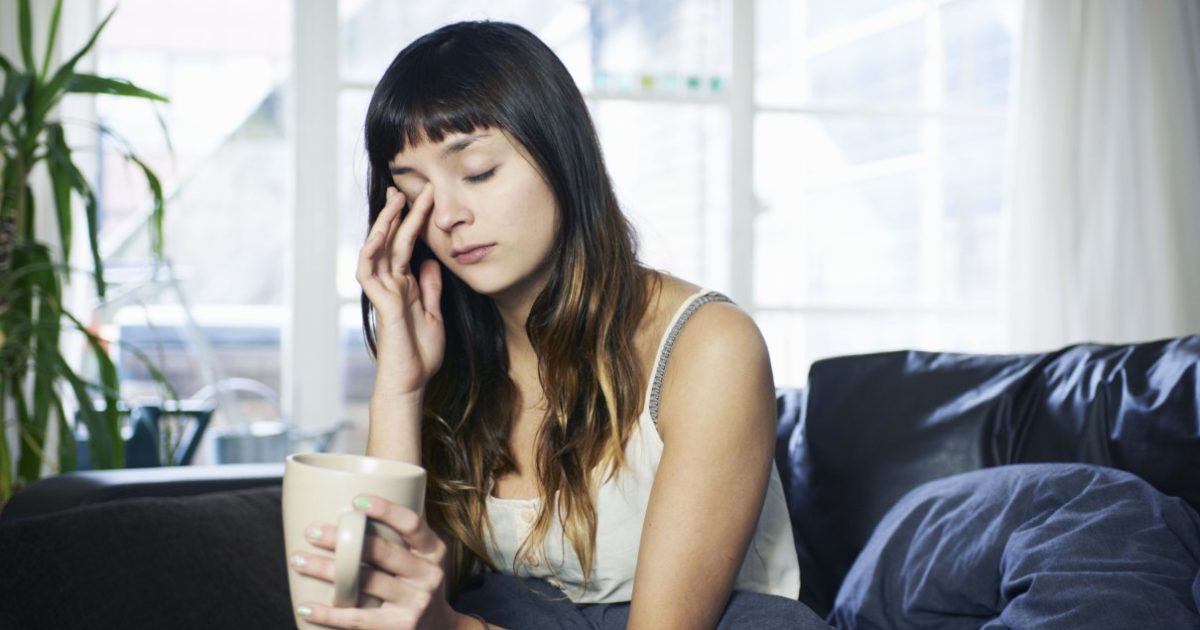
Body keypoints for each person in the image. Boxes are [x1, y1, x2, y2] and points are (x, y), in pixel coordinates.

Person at [288, 20, 830, 630]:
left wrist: (450, 626)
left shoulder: (710, 348)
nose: (448, 217)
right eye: (414, 192)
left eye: (478, 172)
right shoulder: (450, 353)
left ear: (562, 153)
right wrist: (401, 385)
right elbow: (377, 606)